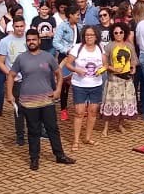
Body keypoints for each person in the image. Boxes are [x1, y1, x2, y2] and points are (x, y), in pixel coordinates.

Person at [10, 28, 77, 170]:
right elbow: (11, 75)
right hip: (28, 102)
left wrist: (58, 89)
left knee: (52, 129)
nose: (31, 42)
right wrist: (9, 94)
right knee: (33, 131)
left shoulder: (48, 57)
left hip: (47, 100)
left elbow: (59, 73)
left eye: (34, 39)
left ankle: (60, 155)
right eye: (28, 40)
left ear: (39, 41)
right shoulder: (21, 58)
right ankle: (34, 159)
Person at [63, 27, 104, 147]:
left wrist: (101, 70)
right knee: (79, 112)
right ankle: (76, 140)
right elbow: (68, 63)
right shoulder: (77, 48)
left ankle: (88, 137)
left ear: (96, 36)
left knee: (93, 112)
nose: (89, 37)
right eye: (87, 35)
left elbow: (105, 64)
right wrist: (77, 70)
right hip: (80, 85)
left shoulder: (100, 48)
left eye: (91, 35)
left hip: (96, 84)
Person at [100, 22, 138, 135]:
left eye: (121, 32)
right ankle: (105, 128)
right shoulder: (109, 46)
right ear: (112, 34)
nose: (118, 35)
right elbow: (104, 63)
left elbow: (134, 60)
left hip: (126, 79)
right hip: (114, 79)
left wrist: (133, 67)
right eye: (116, 33)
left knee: (124, 103)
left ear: (124, 33)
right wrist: (112, 68)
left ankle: (120, 125)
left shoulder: (129, 45)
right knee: (111, 102)